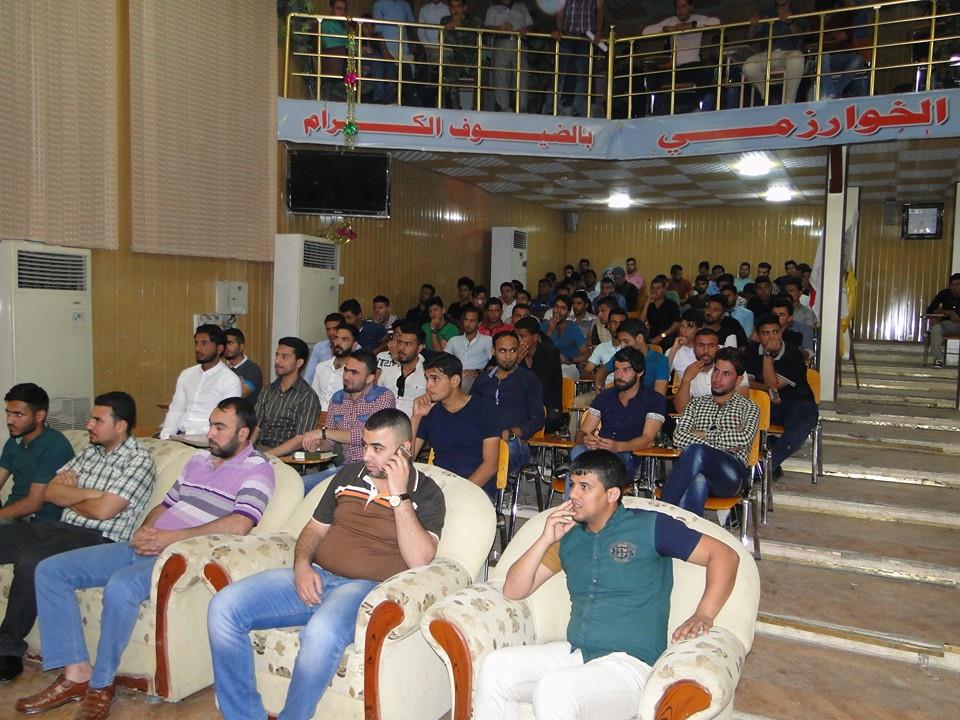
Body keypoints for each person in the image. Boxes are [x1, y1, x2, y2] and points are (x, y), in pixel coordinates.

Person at [19, 398, 275, 719]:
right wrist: (145, 530)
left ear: (244, 433)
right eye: (210, 425)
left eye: (219, 427)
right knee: (51, 571)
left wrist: (168, 539)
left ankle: (101, 684)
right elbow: (166, 505)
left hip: (178, 555)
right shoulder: (197, 460)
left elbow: (239, 524)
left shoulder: (259, 468)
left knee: (121, 586)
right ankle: (76, 673)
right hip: (146, 545)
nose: (210, 433)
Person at [208, 409, 444, 720]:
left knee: (320, 633)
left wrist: (399, 495)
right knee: (223, 607)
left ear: (404, 449)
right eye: (365, 445)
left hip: (363, 589)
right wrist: (301, 566)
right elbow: (313, 530)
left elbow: (419, 559)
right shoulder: (347, 476)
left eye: (377, 448)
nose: (366, 456)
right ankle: (242, 715)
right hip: (317, 574)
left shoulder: (426, 492)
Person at [474, 449, 740, 719]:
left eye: (585, 487)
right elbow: (513, 590)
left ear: (612, 494)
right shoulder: (569, 537)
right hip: (577, 654)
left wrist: (704, 613)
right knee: (496, 667)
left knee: (554, 690)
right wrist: (545, 539)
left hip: (630, 665)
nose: (573, 494)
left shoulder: (651, 526)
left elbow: (724, 556)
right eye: (572, 485)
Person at [0, 392, 156, 682]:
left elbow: (104, 512)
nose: (88, 425)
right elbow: (50, 492)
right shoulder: (90, 452)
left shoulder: (139, 461)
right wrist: (91, 495)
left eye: (97, 420)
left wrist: (72, 496)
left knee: (32, 562)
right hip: (56, 528)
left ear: (120, 425)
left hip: (96, 538)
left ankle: (7, 649)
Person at [662, 348, 760, 516]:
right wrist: (725, 439)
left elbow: (744, 438)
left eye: (726, 374)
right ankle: (685, 529)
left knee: (697, 450)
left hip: (731, 474)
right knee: (698, 480)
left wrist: (702, 434)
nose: (717, 378)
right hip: (699, 471)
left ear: (738, 380)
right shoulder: (696, 404)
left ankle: (661, 511)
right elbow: (678, 437)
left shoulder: (748, 407)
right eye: (716, 371)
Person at [302, 351, 397, 491]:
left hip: (375, 470)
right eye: (346, 370)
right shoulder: (337, 398)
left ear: (370, 378)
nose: (346, 376)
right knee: (300, 484)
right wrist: (318, 445)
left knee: (307, 486)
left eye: (354, 373)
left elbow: (366, 437)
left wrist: (323, 433)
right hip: (347, 468)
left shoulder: (383, 397)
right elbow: (331, 442)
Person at [412, 353, 500, 498]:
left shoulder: (485, 409)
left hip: (476, 489)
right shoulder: (429, 412)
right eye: (427, 379)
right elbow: (407, 459)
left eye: (435, 379)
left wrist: (458, 493)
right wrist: (416, 417)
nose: (428, 385)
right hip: (440, 487)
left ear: (454, 381)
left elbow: (490, 465)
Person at [571, 348, 666, 480]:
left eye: (625, 370)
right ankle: (584, 486)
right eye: (616, 370)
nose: (619, 375)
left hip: (627, 456)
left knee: (590, 468)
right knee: (578, 451)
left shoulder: (654, 400)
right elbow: (581, 433)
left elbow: (648, 439)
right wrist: (586, 440)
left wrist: (618, 447)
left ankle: (585, 485)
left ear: (640, 372)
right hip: (599, 452)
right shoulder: (605, 396)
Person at [745, 315, 819, 476]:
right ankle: (766, 456)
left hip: (796, 403)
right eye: (766, 333)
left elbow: (773, 383)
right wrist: (767, 390)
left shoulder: (793, 354)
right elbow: (747, 382)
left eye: (775, 332)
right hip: (767, 404)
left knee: (801, 421)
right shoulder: (751, 351)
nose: (772, 337)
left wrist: (767, 355)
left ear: (781, 333)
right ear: (758, 335)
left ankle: (765, 469)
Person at [471, 332, 545, 473]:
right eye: (502, 351)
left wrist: (512, 433)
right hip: (485, 438)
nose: (508, 356)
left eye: (513, 350)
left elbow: (538, 419)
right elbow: (470, 410)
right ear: (493, 351)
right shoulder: (483, 379)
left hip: (514, 442)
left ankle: (494, 482)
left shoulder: (529, 379)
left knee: (506, 448)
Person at [0, 384, 75, 523]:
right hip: (11, 515)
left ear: (39, 416)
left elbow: (33, 503)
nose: (9, 420)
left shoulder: (55, 445)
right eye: (8, 413)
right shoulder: (14, 441)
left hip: (38, 522)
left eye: (18, 414)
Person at [160, 324, 241, 439]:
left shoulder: (230, 380)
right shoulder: (186, 375)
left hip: (208, 439)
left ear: (219, 349)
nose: (198, 348)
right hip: (179, 437)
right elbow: (175, 412)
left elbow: (226, 421)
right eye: (196, 343)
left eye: (204, 343)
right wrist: (166, 437)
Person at [642, 0, 721, 113]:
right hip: (675, 68)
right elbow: (645, 31)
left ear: (690, 7)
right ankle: (663, 105)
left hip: (693, 67)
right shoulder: (671, 21)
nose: (680, 10)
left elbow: (717, 22)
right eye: (678, 7)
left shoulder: (697, 18)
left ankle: (691, 105)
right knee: (650, 73)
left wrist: (692, 25)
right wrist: (666, 29)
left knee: (710, 69)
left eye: (684, 6)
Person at [254, 337, 321, 457]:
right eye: (277, 355)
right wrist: (244, 453)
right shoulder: (267, 390)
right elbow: (256, 427)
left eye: (284, 357)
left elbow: (300, 439)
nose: (277, 361)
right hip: (260, 449)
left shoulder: (307, 396)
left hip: (287, 456)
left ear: (299, 363)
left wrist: (266, 456)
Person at [743, 0, 807, 105]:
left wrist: (790, 22)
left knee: (797, 58)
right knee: (748, 66)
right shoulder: (765, 13)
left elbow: (803, 36)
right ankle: (766, 97)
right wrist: (753, 26)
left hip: (788, 53)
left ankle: (789, 101)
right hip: (767, 54)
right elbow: (749, 39)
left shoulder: (798, 12)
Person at [673, 328, 750, 414]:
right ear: (694, 348)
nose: (706, 351)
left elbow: (741, 404)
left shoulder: (732, 367)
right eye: (701, 345)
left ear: (718, 348)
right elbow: (681, 409)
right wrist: (686, 380)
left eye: (711, 346)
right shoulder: (691, 371)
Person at [550, 0, 605, 117]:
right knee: (563, 71)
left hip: (586, 36)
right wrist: (559, 30)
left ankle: (580, 109)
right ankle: (561, 106)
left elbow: (600, 11)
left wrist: (598, 33)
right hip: (568, 34)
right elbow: (560, 12)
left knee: (583, 72)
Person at [595, 319, 670, 396]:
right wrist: (599, 389)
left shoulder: (660, 360)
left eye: (626, 341)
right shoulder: (623, 356)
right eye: (620, 342)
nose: (622, 346)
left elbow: (659, 395)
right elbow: (603, 371)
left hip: (647, 401)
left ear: (640, 338)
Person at [515, 317, 564, 432]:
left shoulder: (550, 353)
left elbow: (538, 384)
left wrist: (516, 365)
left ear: (535, 337)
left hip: (547, 405)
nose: (518, 340)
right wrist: (514, 363)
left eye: (522, 336)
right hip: (521, 405)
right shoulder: (513, 355)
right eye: (516, 336)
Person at [486, 0, 534, 112]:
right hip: (501, 43)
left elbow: (531, 25)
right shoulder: (493, 8)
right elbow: (486, 28)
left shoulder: (522, 6)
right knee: (500, 76)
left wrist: (526, 29)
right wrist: (500, 29)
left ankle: (522, 108)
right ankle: (504, 108)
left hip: (520, 43)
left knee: (522, 76)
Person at [377, 321, 427, 418]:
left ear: (419, 348)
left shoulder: (427, 375)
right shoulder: (388, 372)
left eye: (408, 344)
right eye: (400, 342)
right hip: (386, 422)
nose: (401, 348)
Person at [372, 0, 415, 104]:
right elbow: (378, 31)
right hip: (388, 50)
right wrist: (385, 52)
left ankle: (409, 105)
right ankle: (387, 103)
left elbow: (411, 26)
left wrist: (413, 46)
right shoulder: (379, 4)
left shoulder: (405, 5)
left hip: (404, 51)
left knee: (409, 81)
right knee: (390, 81)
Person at [311, 323, 359, 410]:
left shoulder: (355, 372)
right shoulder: (321, 367)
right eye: (337, 338)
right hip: (317, 414)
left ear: (354, 345)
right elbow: (313, 397)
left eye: (344, 339)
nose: (338, 343)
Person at [445, 305, 493, 393]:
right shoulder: (454, 340)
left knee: (464, 381)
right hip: (457, 376)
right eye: (466, 320)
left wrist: (478, 372)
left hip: (477, 377)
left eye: (472, 321)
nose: (467, 324)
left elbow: (494, 362)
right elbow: (444, 360)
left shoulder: (487, 340)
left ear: (479, 323)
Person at [541, 295, 588, 377]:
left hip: (569, 367)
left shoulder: (572, 328)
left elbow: (586, 353)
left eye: (563, 308)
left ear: (568, 313)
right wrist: (550, 330)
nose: (558, 311)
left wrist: (569, 360)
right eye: (556, 307)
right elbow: (540, 350)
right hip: (547, 365)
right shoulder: (544, 326)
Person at [926, 273, 960, 368]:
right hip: (948, 324)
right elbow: (930, 309)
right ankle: (938, 359)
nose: (955, 288)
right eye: (952, 285)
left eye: (958, 285)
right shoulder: (944, 293)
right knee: (936, 328)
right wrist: (949, 312)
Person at [304, 313, 346, 386]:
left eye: (335, 329)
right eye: (328, 329)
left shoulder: (355, 348)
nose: (331, 333)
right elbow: (309, 375)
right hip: (321, 389)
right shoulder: (319, 347)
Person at [223, 328, 263, 404]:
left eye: (230, 343)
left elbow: (239, 394)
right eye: (224, 344)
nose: (226, 347)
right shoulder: (221, 368)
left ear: (241, 347)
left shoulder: (253, 369)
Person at [640, 275, 681, 347]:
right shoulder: (649, 305)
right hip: (652, 334)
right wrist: (647, 303)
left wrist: (663, 335)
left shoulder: (671, 304)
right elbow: (640, 322)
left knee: (668, 342)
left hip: (667, 334)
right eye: (653, 288)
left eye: (658, 288)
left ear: (664, 290)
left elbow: (676, 324)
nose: (654, 291)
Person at [666, 309, 703, 380]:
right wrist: (674, 350)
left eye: (690, 327)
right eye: (682, 326)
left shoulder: (706, 349)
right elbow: (663, 377)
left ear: (699, 330)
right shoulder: (672, 350)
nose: (684, 331)